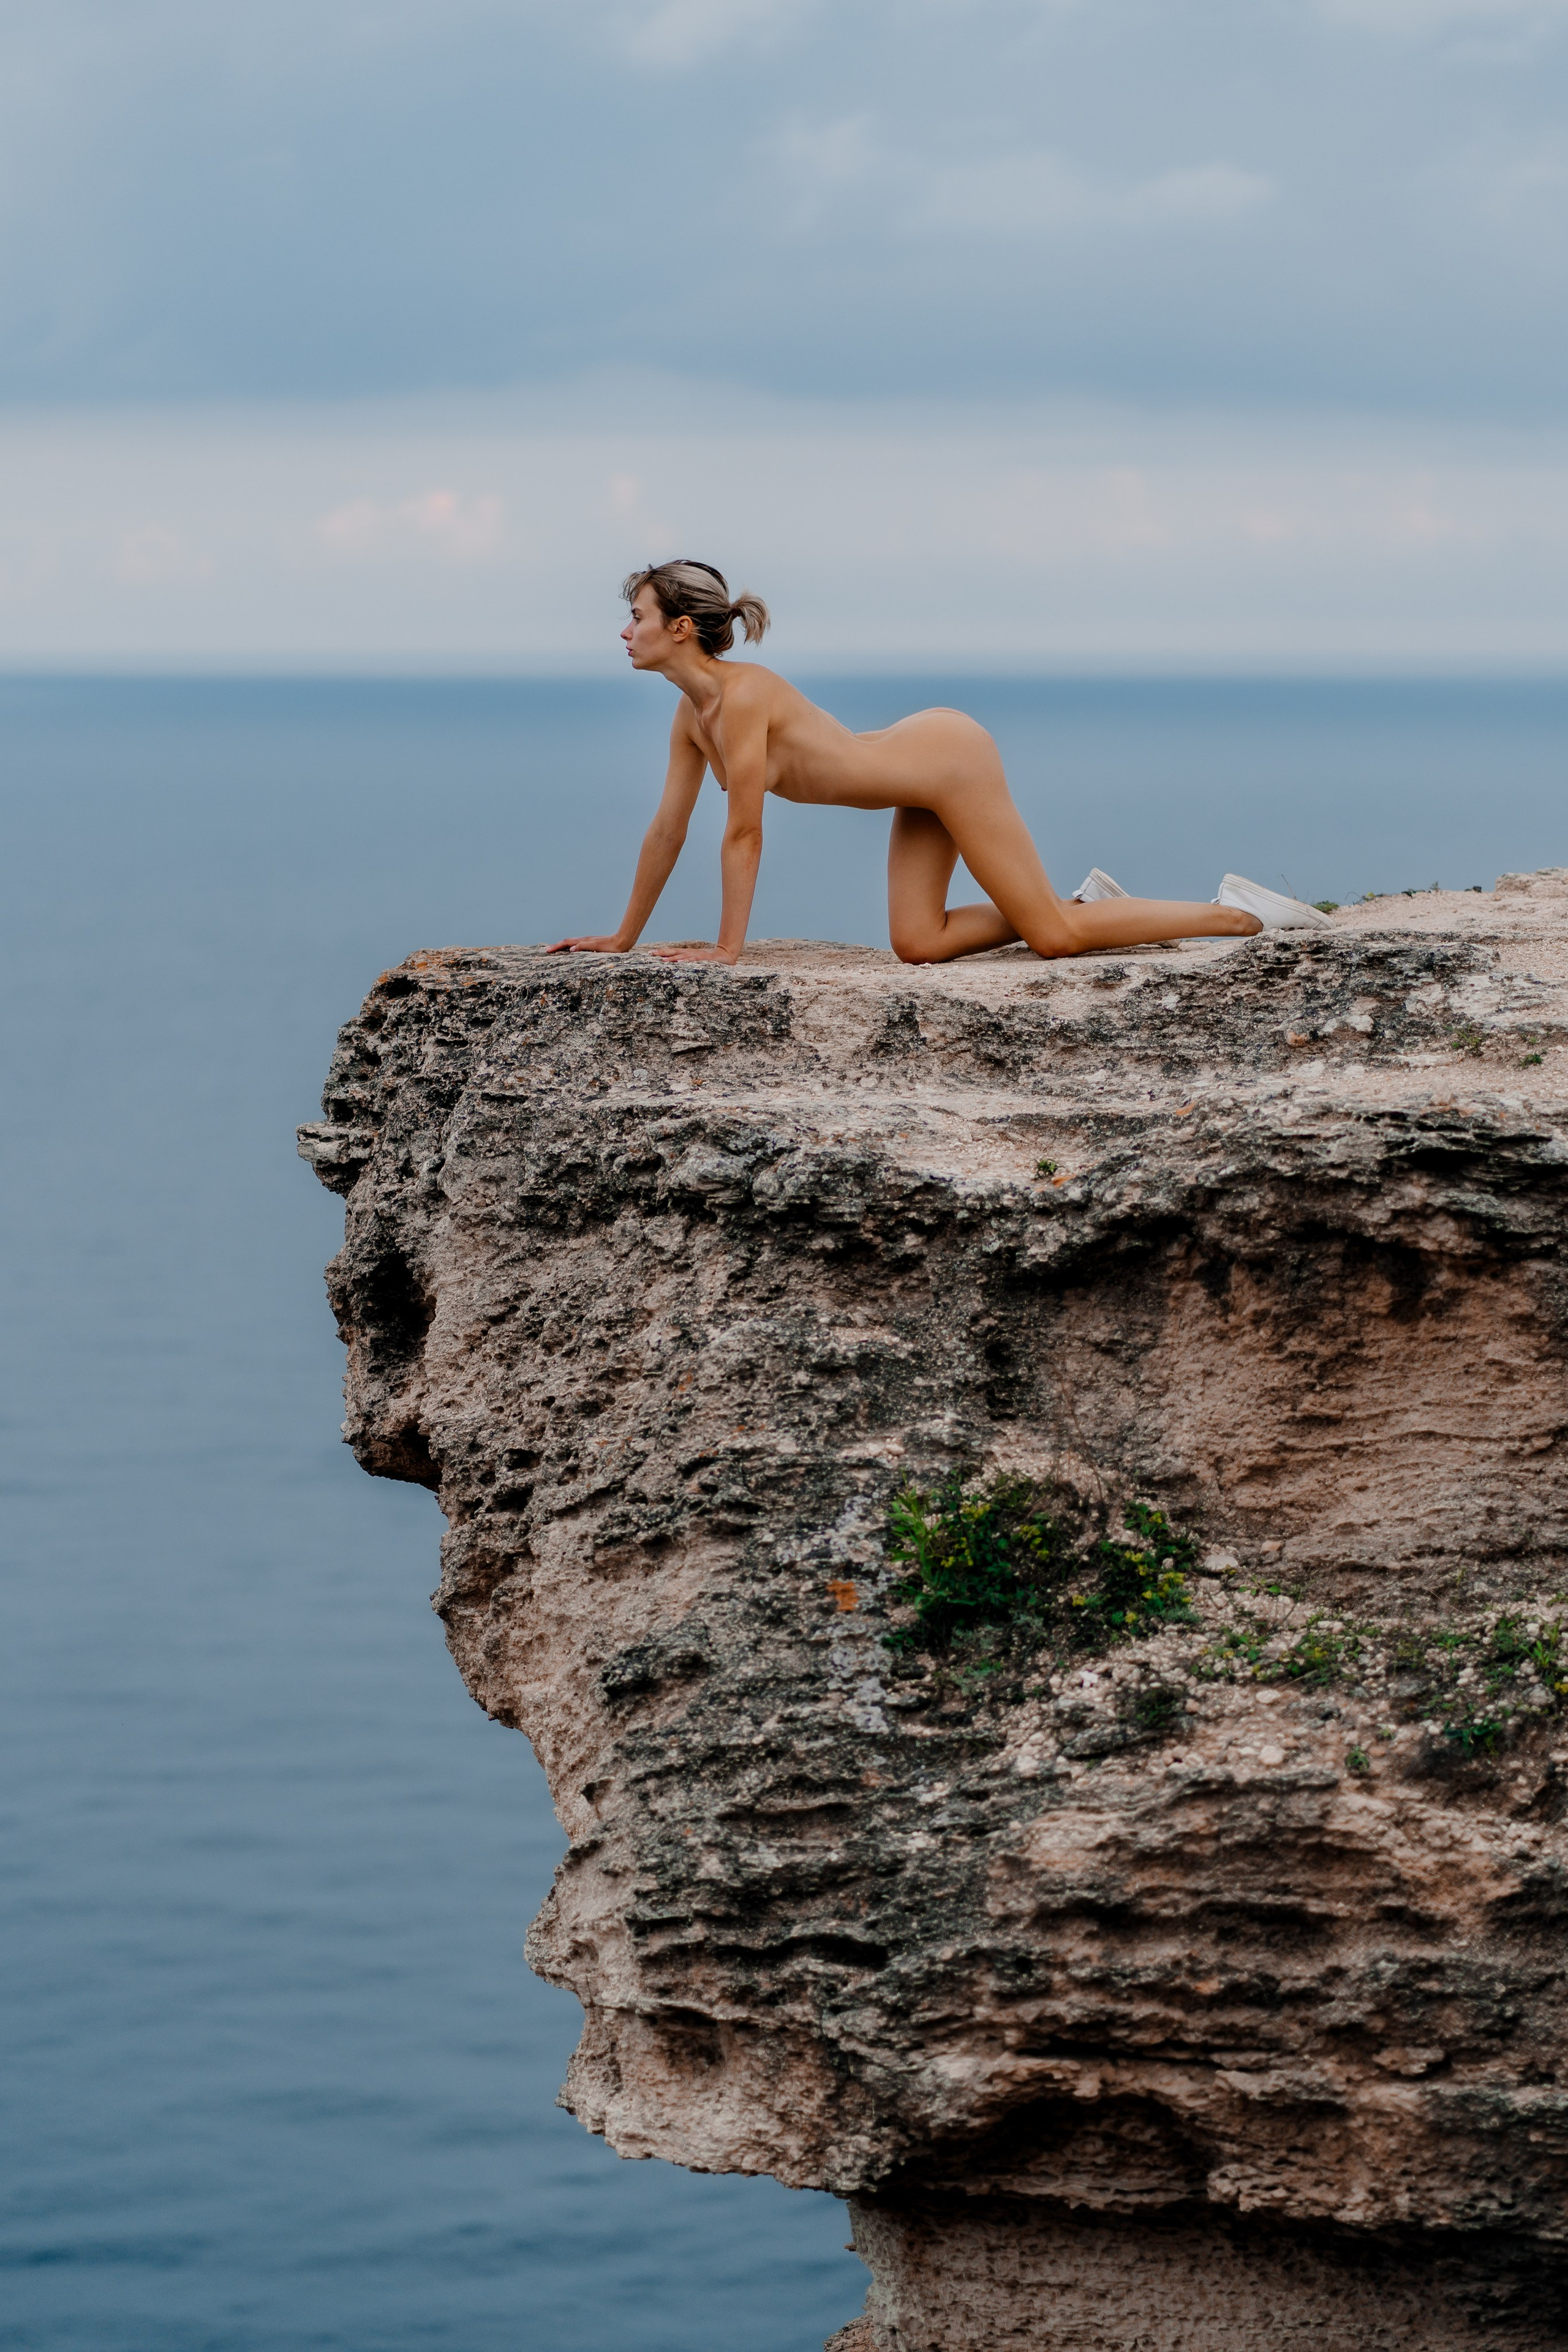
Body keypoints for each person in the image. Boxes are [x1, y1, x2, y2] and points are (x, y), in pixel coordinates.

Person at [546, 562, 1329, 968]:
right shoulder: (693, 716)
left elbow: (743, 833)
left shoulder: (744, 699)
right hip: (910, 779)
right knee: (918, 944)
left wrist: (727, 951)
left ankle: (1245, 913)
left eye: (637, 617)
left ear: (681, 629)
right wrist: (621, 938)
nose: (625, 631)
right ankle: (1087, 901)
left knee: (1052, 939)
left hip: (945, 762)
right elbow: (666, 831)